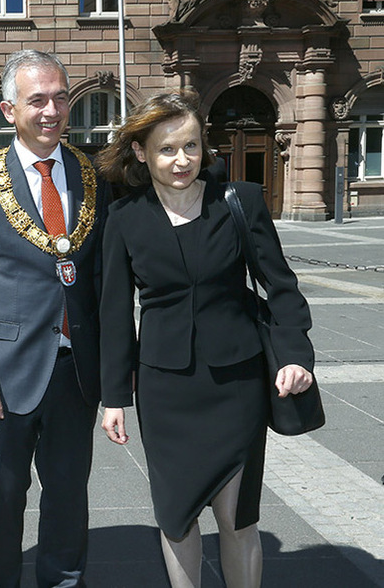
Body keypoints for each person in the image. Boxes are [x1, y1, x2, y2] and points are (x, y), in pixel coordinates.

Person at [95, 92, 314, 588]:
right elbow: (113, 313)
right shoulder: (124, 219)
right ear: (141, 152)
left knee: (238, 518)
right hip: (165, 389)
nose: (181, 160)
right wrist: (114, 397)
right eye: (168, 148)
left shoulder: (240, 202)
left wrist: (296, 356)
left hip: (237, 384)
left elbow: (281, 287)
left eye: (191, 146)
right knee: (177, 518)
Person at [0, 50, 109, 588]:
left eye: (61, 97)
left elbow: (104, 279)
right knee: (2, 501)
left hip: (75, 371)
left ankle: (63, 582)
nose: (52, 110)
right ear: (8, 108)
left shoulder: (92, 176)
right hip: (5, 373)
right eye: (37, 99)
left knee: (68, 497)